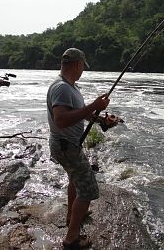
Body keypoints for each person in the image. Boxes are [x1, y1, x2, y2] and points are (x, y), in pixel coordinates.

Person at [47, 48, 110, 249]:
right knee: (89, 190)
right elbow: (61, 119)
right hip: (67, 147)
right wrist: (94, 105)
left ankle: (71, 215)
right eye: (83, 66)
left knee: (74, 179)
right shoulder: (62, 88)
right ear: (78, 65)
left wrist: (100, 119)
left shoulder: (70, 87)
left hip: (68, 145)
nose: (83, 70)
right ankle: (72, 238)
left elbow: (77, 113)